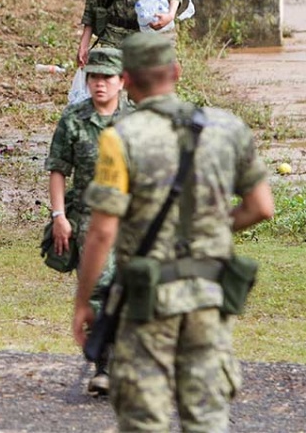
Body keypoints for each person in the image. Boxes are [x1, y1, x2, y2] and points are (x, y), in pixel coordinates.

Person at [72, 33, 274, 431]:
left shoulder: (120, 138)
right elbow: (261, 207)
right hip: (210, 294)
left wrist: (83, 301)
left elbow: (101, 232)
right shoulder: (227, 127)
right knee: (206, 416)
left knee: (145, 418)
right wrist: (216, 226)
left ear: (126, 80)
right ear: (176, 72)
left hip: (149, 301)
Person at [45, 47, 131, 395]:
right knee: (97, 289)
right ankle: (105, 366)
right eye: (93, 77)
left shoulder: (136, 120)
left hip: (131, 219)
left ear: (122, 81)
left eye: (106, 78)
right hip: (87, 221)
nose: (99, 84)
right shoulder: (74, 119)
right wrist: (59, 216)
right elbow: (58, 168)